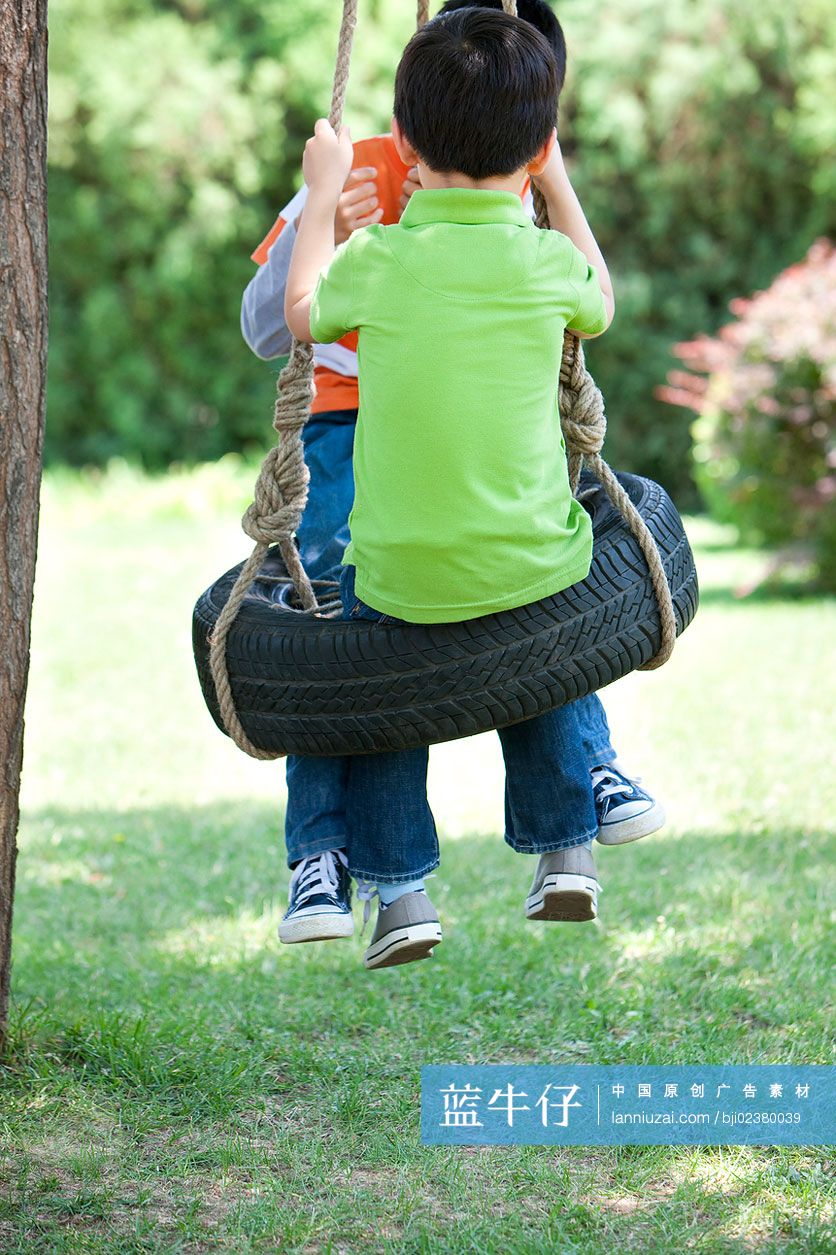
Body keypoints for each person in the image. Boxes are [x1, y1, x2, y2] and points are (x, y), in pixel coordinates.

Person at [241, 0, 664, 956]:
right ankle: (567, 851)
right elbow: (600, 296)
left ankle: (398, 894)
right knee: (548, 613)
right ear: (537, 147)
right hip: (530, 561)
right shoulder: (541, 253)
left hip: (397, 573)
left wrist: (322, 202)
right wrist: (555, 189)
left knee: (382, 660)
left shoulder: (387, 258)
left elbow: (305, 311)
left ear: (410, 139)